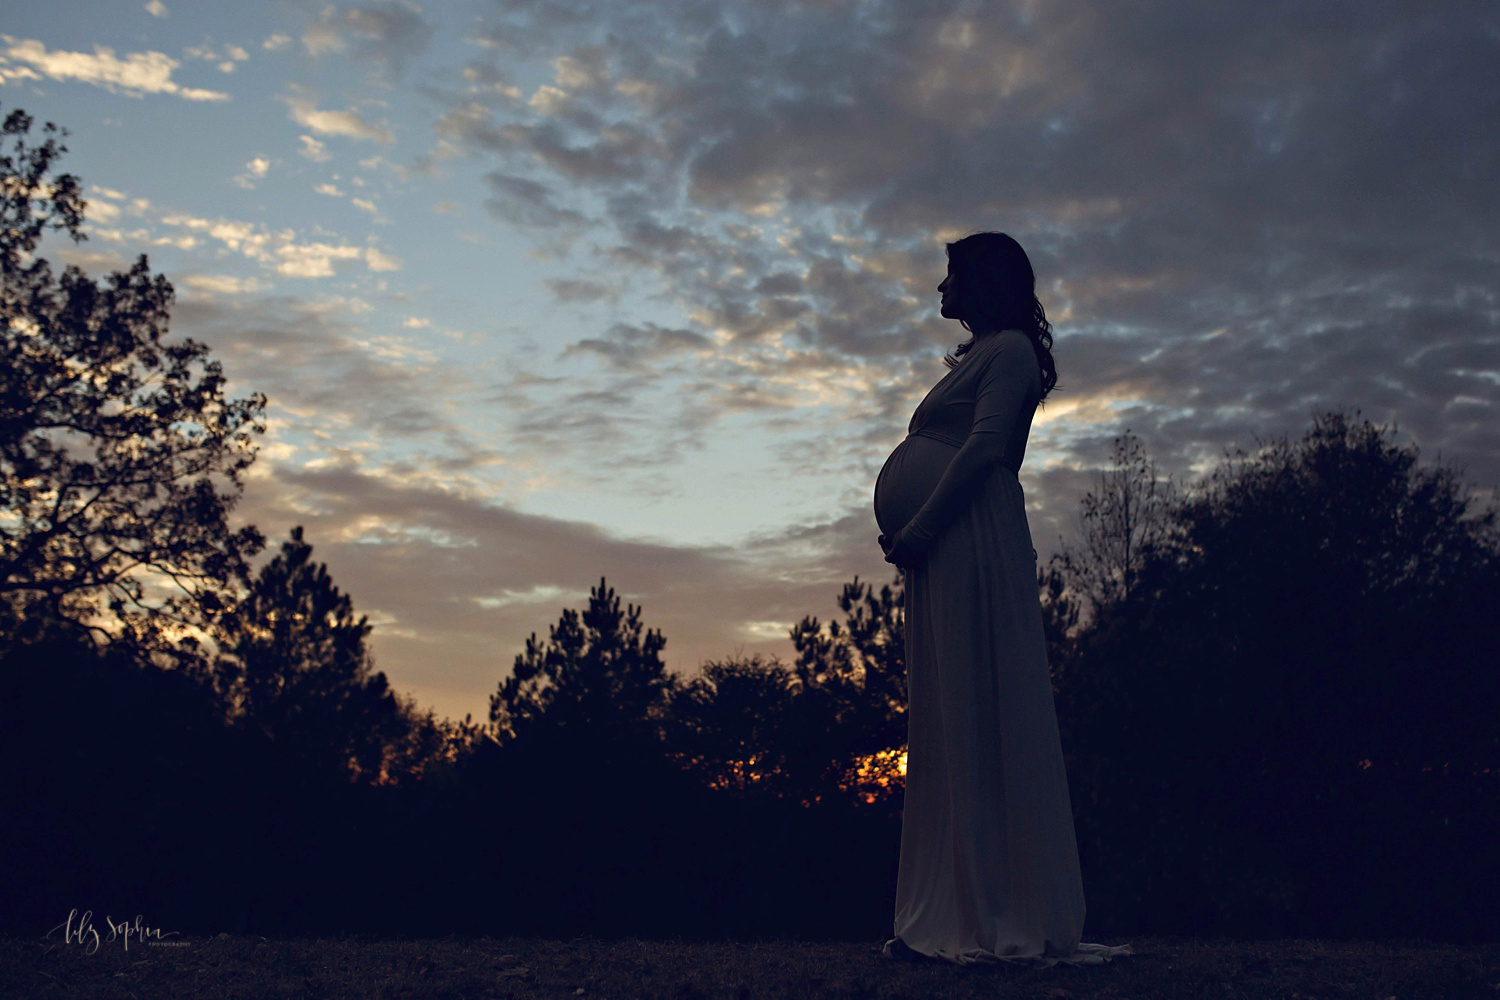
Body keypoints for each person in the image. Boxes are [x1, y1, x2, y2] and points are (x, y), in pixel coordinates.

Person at [874, 231, 1132, 967]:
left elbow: (987, 450)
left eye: (951, 273)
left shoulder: (1012, 352)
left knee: (978, 708)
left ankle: (996, 907)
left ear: (982, 280)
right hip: (947, 546)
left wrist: (920, 526)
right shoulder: (988, 354)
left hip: (971, 540)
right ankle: (951, 903)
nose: (939, 287)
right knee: (949, 714)